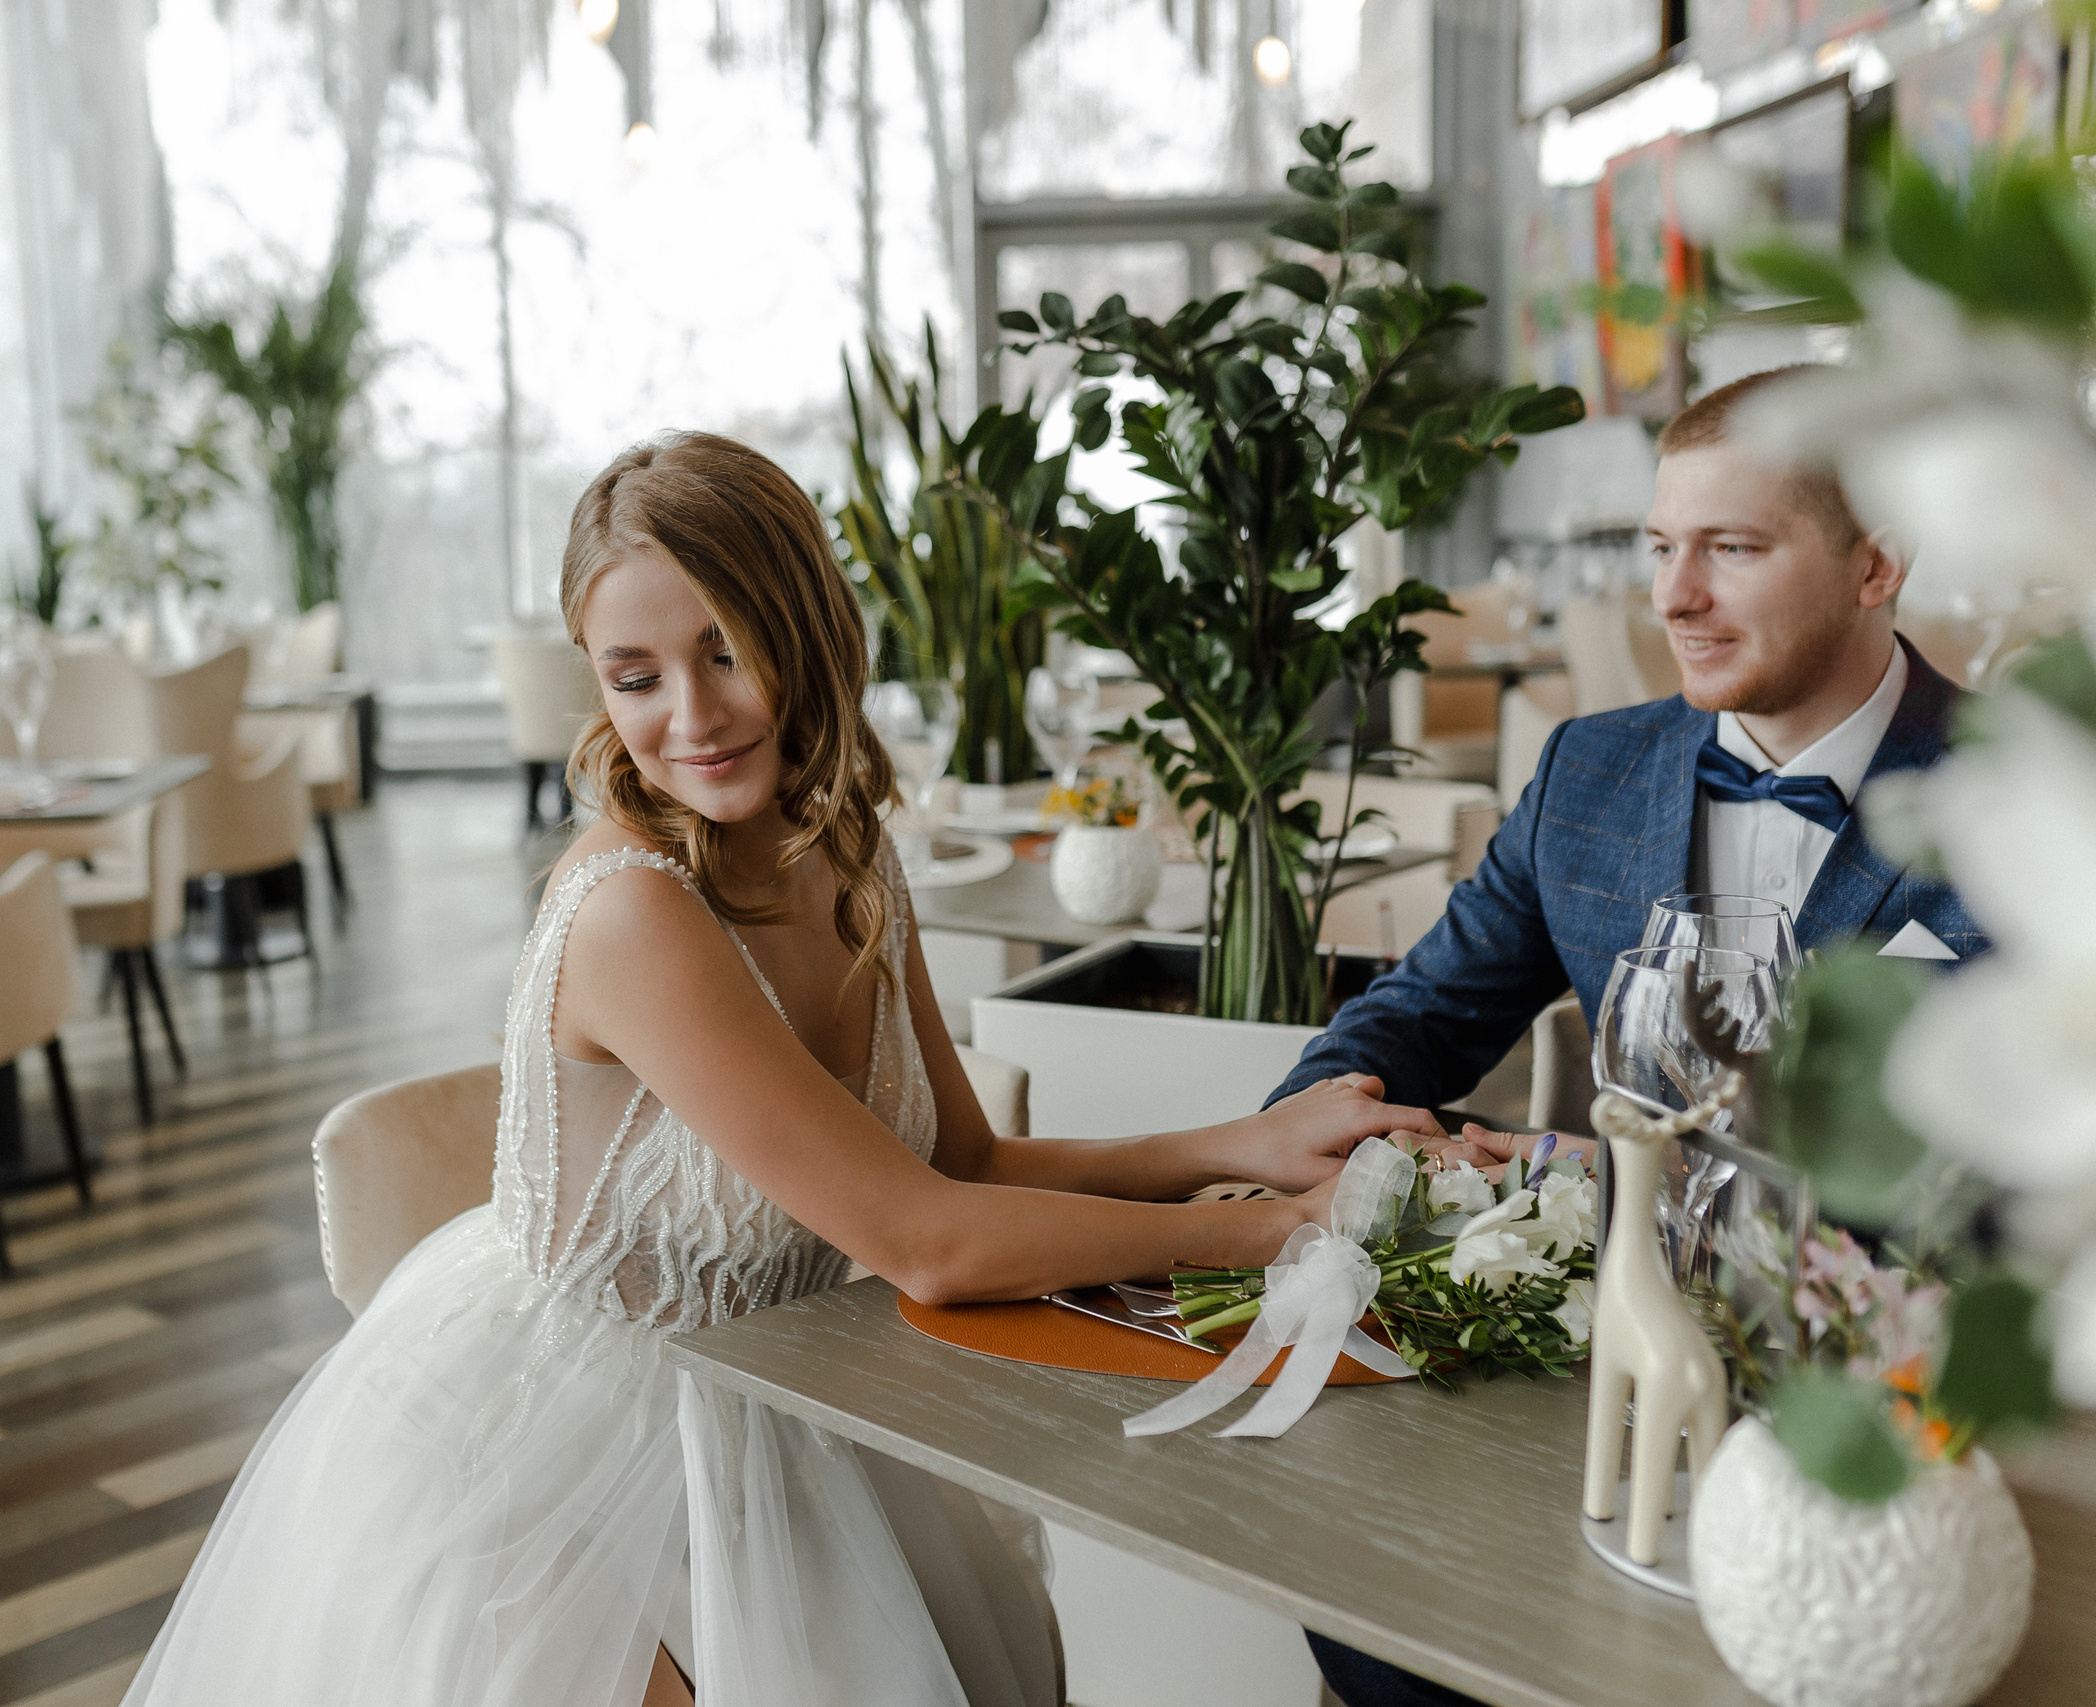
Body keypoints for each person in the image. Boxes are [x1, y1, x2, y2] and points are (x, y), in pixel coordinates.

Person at [122, 431, 1483, 1707]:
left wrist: (1240, 1146)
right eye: (634, 672)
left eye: (727, 649)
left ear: (809, 630)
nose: (692, 716)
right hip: (582, 1456)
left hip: (791, 1393)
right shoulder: (638, 914)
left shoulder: (845, 850)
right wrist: (1284, 1233)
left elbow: (964, 1167)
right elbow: (931, 1243)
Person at [1275, 369, 1988, 1707]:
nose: (1673, 599)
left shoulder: (2018, 807)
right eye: (1661, 548)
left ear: (1876, 563)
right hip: (1588, 1385)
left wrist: (1580, 1178)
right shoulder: (1591, 771)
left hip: (1895, 1428)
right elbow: (1424, 1010)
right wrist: (1320, 1127)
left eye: (1733, 548)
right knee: (1364, 1609)